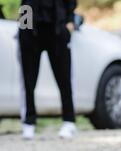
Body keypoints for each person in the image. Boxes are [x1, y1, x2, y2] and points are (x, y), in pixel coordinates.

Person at [18, 0, 77, 140]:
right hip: (29, 24)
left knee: (64, 77)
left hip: (57, 26)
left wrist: (69, 21)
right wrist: (23, 27)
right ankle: (29, 121)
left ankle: (69, 121)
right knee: (28, 78)